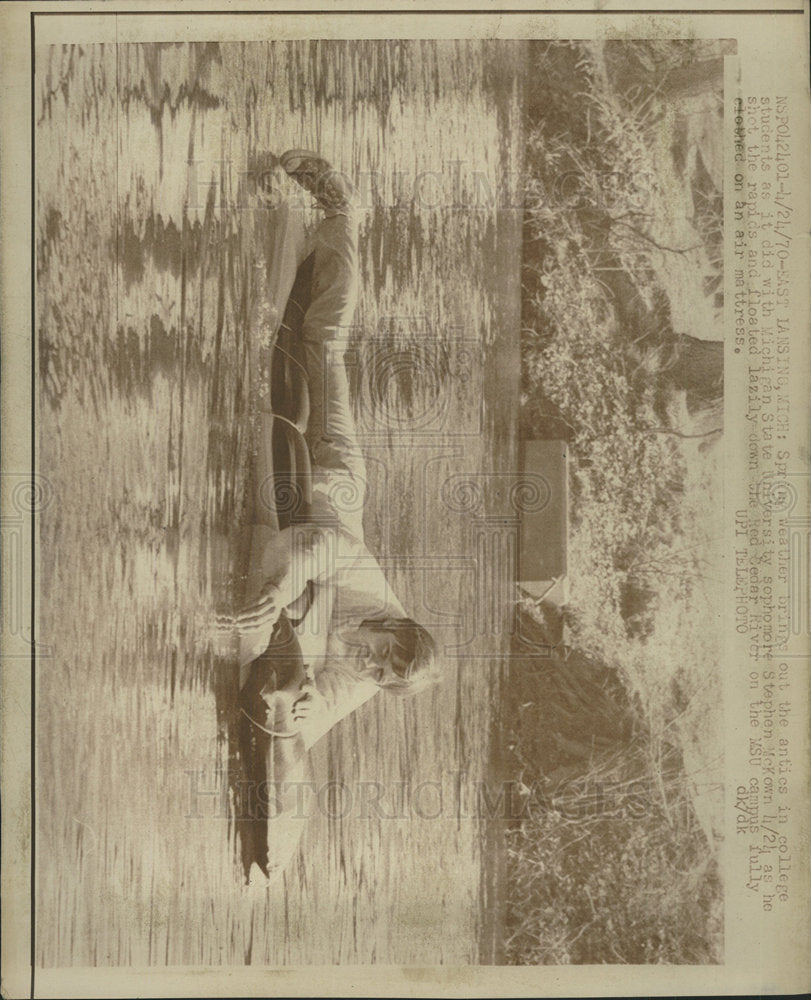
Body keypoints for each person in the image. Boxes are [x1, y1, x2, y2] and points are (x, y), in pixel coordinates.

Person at [226, 149, 439, 753]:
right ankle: (342, 210)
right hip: (333, 475)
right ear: (393, 628)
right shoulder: (374, 594)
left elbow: (321, 715)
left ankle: (306, 266)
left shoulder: (365, 677)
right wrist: (273, 595)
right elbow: (321, 547)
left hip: (289, 502)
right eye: (384, 656)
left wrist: (298, 712)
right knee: (325, 344)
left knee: (305, 350)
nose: (371, 667)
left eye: (381, 673)